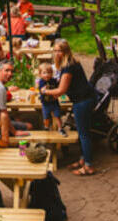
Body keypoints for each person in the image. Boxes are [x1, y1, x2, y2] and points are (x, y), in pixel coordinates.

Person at [42, 39, 96, 176]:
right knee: (82, 132)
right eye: (54, 50)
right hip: (83, 98)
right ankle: (83, 159)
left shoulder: (69, 67)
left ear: (65, 51)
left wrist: (45, 92)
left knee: (83, 134)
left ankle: (88, 166)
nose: (56, 53)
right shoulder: (70, 63)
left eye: (59, 50)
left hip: (82, 101)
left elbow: (61, 90)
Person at [37, 62, 65, 135]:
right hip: (45, 103)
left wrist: (58, 91)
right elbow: (42, 90)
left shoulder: (54, 80)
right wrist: (44, 90)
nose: (47, 75)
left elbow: (59, 87)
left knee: (57, 116)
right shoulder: (41, 82)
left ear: (52, 73)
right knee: (46, 117)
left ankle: (60, 128)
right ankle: (46, 127)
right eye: (44, 73)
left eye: (49, 73)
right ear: (40, 74)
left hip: (54, 102)